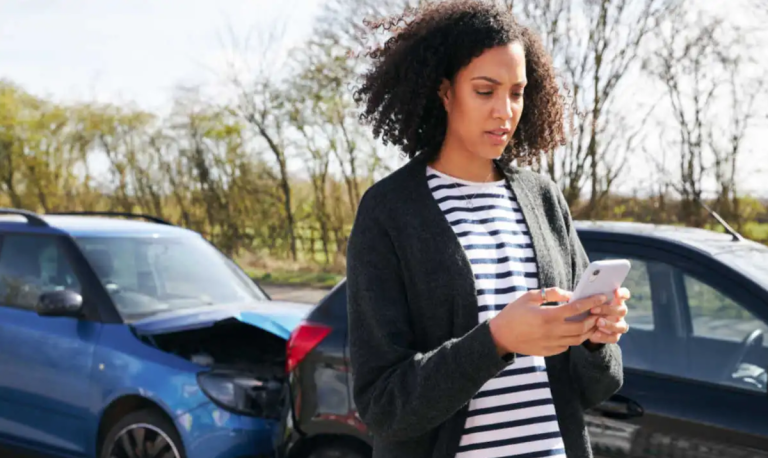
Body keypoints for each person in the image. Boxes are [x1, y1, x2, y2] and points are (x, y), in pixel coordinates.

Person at [345, 1, 630, 458]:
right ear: (444, 92)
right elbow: (384, 406)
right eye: (485, 91)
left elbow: (597, 386)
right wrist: (496, 340)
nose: (505, 110)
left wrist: (597, 338)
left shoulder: (543, 199)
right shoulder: (389, 211)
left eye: (516, 92)